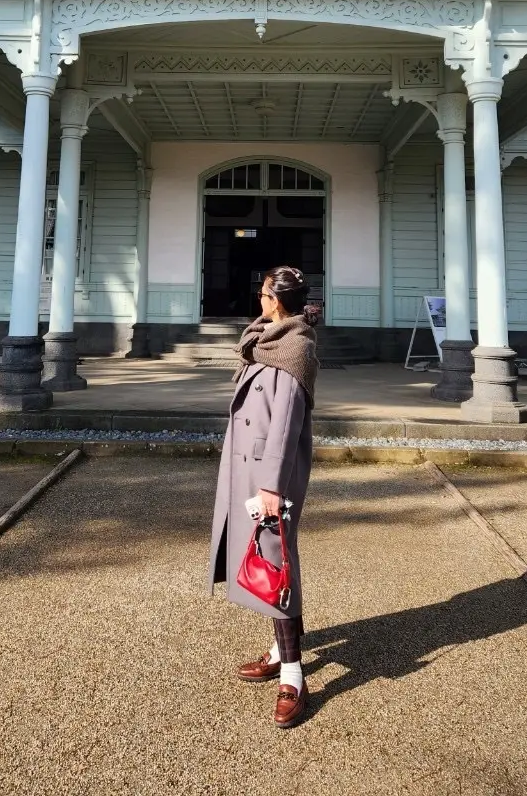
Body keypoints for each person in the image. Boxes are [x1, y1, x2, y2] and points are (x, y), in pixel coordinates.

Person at [208, 264, 320, 729]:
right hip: (247, 467)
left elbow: (287, 422)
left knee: (274, 563)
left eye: (263, 294)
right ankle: (280, 649)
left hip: (269, 476)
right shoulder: (263, 339)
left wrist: (272, 485)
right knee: (266, 562)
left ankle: (293, 677)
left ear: (276, 300)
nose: (258, 299)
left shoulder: (295, 348)